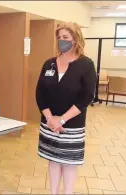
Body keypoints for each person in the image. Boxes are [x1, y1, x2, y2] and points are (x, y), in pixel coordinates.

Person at [35, 22, 97, 195]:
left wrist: (61, 119)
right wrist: (50, 118)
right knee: (53, 161)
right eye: (59, 37)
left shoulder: (86, 65)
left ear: (76, 40)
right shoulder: (49, 64)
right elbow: (40, 94)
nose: (61, 41)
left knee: (69, 163)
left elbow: (86, 97)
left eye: (66, 37)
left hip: (72, 125)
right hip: (49, 125)